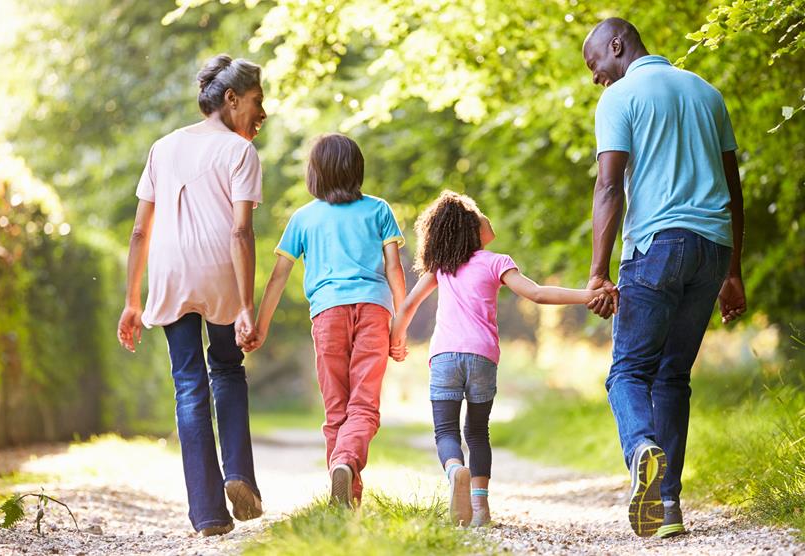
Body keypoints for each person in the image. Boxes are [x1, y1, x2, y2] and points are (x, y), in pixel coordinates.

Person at [582, 18, 746, 538]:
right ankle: (667, 506)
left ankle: (641, 450)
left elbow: (609, 188)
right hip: (713, 249)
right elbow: (733, 188)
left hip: (656, 246)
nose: (595, 78)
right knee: (673, 375)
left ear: (617, 45)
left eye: (595, 65)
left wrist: (596, 272)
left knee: (627, 371)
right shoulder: (706, 92)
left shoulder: (619, 98)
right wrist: (734, 270)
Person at [388, 190, 612, 527]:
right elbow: (537, 294)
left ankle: (454, 471)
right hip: (482, 357)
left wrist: (397, 340)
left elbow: (406, 307)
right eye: (478, 214)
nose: (485, 217)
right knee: (477, 432)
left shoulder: (441, 269)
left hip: (445, 356)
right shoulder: (496, 262)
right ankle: (481, 510)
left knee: (446, 431)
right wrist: (588, 295)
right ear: (472, 228)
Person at [116, 54, 267, 537]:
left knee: (188, 383)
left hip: (169, 272)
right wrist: (246, 305)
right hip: (218, 269)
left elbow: (141, 231)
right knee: (226, 367)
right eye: (257, 103)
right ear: (231, 99)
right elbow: (241, 233)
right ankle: (239, 473)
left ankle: (206, 513)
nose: (262, 115)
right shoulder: (240, 153)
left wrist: (132, 300)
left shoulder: (163, 147)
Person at [240, 133, 407, 508]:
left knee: (337, 408)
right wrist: (401, 326)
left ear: (314, 174)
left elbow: (278, 276)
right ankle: (346, 468)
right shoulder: (379, 210)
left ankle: (344, 494)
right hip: (374, 310)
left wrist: (260, 326)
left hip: (328, 314)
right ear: (357, 170)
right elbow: (396, 272)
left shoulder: (303, 217)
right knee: (364, 406)